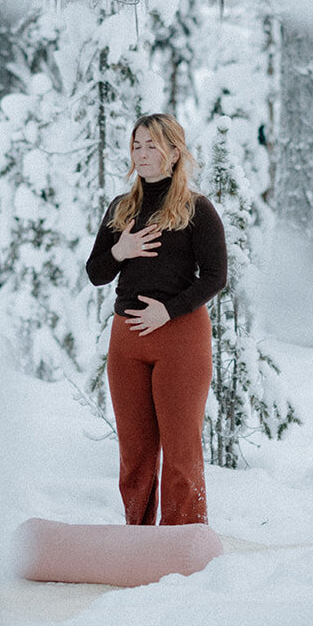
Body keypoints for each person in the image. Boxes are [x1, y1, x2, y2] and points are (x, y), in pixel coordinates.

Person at [85, 113, 227, 526]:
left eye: (152, 146)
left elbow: (216, 277)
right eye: (137, 145)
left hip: (179, 338)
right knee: (135, 451)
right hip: (127, 340)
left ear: (174, 152)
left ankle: (183, 539)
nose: (142, 154)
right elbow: (96, 273)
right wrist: (120, 251)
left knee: (181, 448)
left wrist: (168, 310)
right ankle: (139, 538)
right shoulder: (122, 207)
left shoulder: (197, 209)